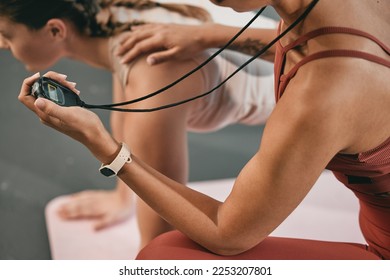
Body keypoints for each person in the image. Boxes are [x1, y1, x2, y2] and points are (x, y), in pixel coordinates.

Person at [17, 0, 390, 259]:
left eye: (5, 34)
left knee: (160, 256)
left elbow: (227, 234)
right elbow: (306, 42)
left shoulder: (325, 90)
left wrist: (102, 146)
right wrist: (210, 34)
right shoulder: (338, 17)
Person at [0, 0, 276, 250]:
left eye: (6, 34)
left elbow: (162, 245)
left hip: (298, 92)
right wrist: (123, 197)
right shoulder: (111, 16)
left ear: (56, 31)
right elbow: (126, 103)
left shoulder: (152, 70)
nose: (1, 44)